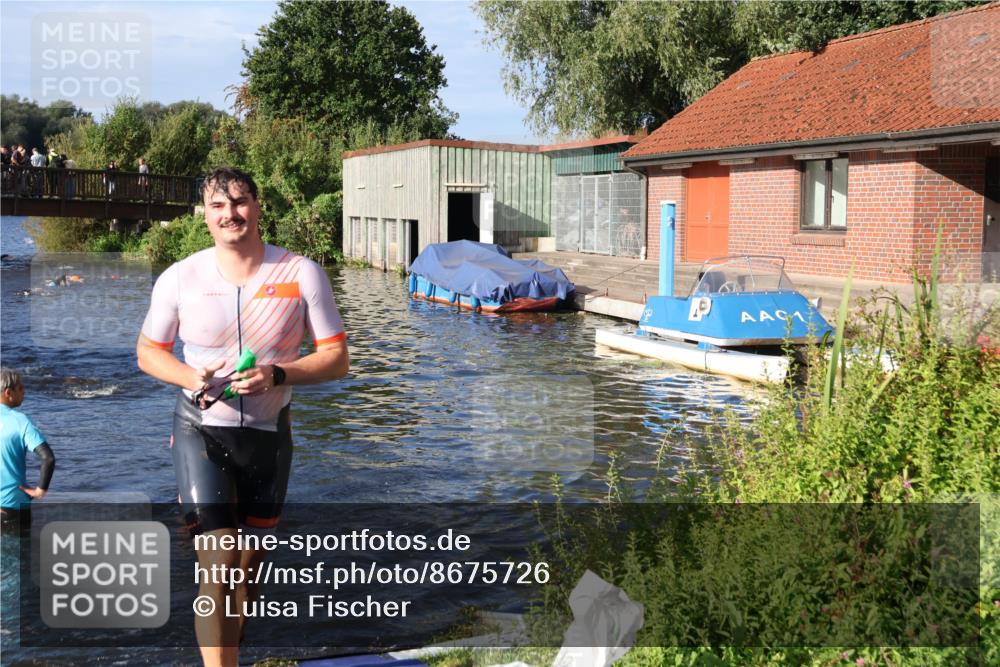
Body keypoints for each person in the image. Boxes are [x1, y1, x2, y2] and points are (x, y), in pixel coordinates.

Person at [136, 166, 349, 667]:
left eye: (239, 201)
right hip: (200, 431)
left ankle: (230, 649)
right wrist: (191, 377)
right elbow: (148, 352)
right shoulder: (182, 276)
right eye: (217, 205)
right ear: (204, 215)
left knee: (245, 573)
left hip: (269, 437)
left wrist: (279, 374)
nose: (229, 213)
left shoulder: (299, 273)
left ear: (257, 206)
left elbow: (337, 358)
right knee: (222, 560)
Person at [1, 368, 56, 532]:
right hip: (11, 507)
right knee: (17, 557)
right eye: (20, 388)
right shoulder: (20, 421)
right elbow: (48, 458)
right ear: (8, 392)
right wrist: (40, 490)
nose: (24, 391)